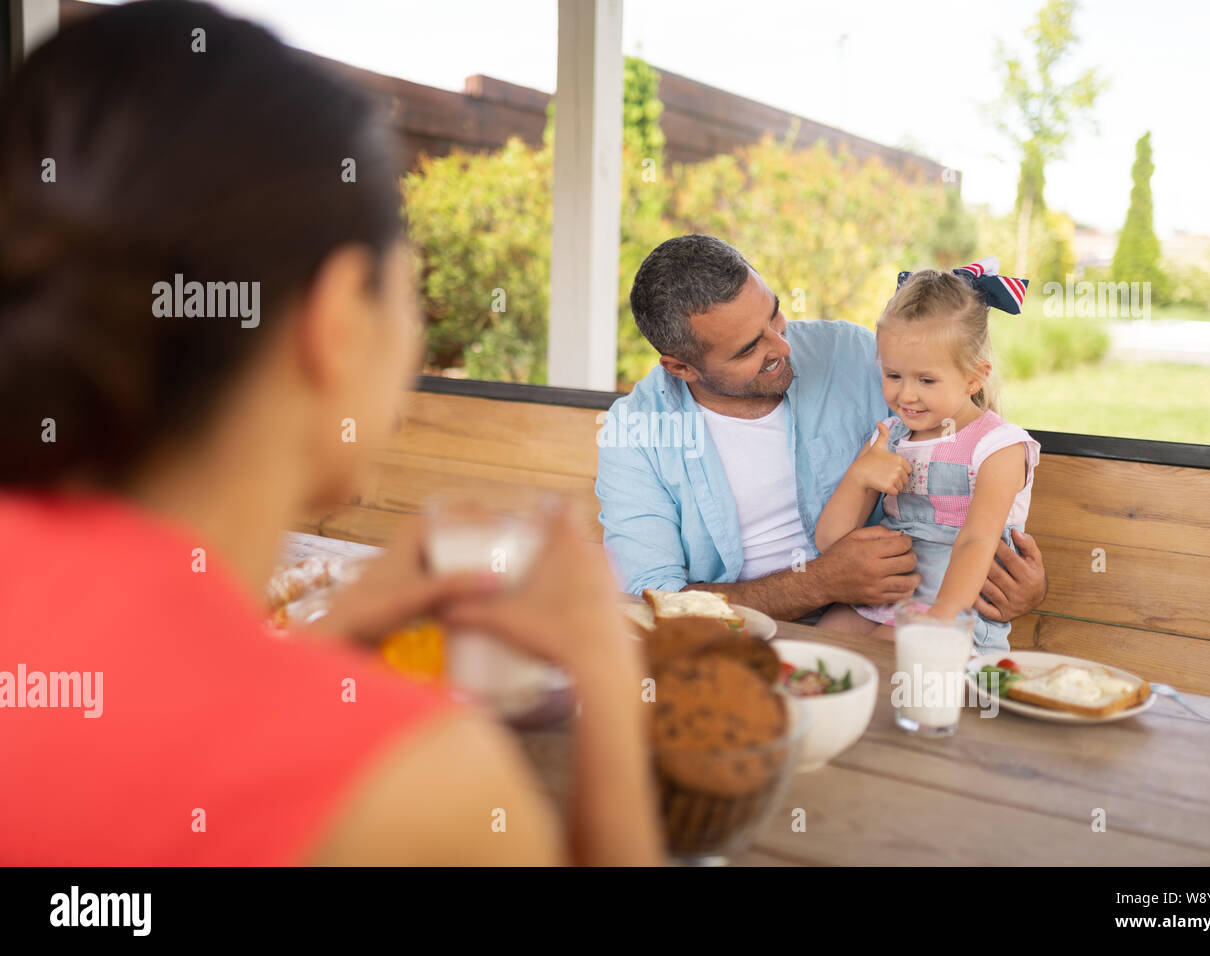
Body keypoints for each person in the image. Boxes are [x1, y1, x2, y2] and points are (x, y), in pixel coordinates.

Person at [0, 0, 659, 866]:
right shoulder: (419, 793)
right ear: (342, 315)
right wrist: (610, 682)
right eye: (408, 287)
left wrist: (324, 642)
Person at [596, 234, 1047, 627]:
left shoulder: (849, 353)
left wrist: (1024, 587)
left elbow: (964, 413)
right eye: (750, 348)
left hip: (897, 607)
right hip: (737, 638)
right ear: (681, 367)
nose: (782, 346)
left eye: (773, 315)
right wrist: (819, 582)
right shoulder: (638, 431)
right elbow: (651, 600)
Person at [814, 260, 1041, 651]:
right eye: (893, 375)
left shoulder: (998, 447)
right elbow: (830, 542)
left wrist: (940, 619)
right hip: (885, 600)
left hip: (955, 609)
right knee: (824, 637)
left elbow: (976, 541)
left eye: (926, 380)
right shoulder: (890, 437)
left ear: (974, 377)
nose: (906, 395)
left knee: (884, 655)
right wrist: (859, 478)